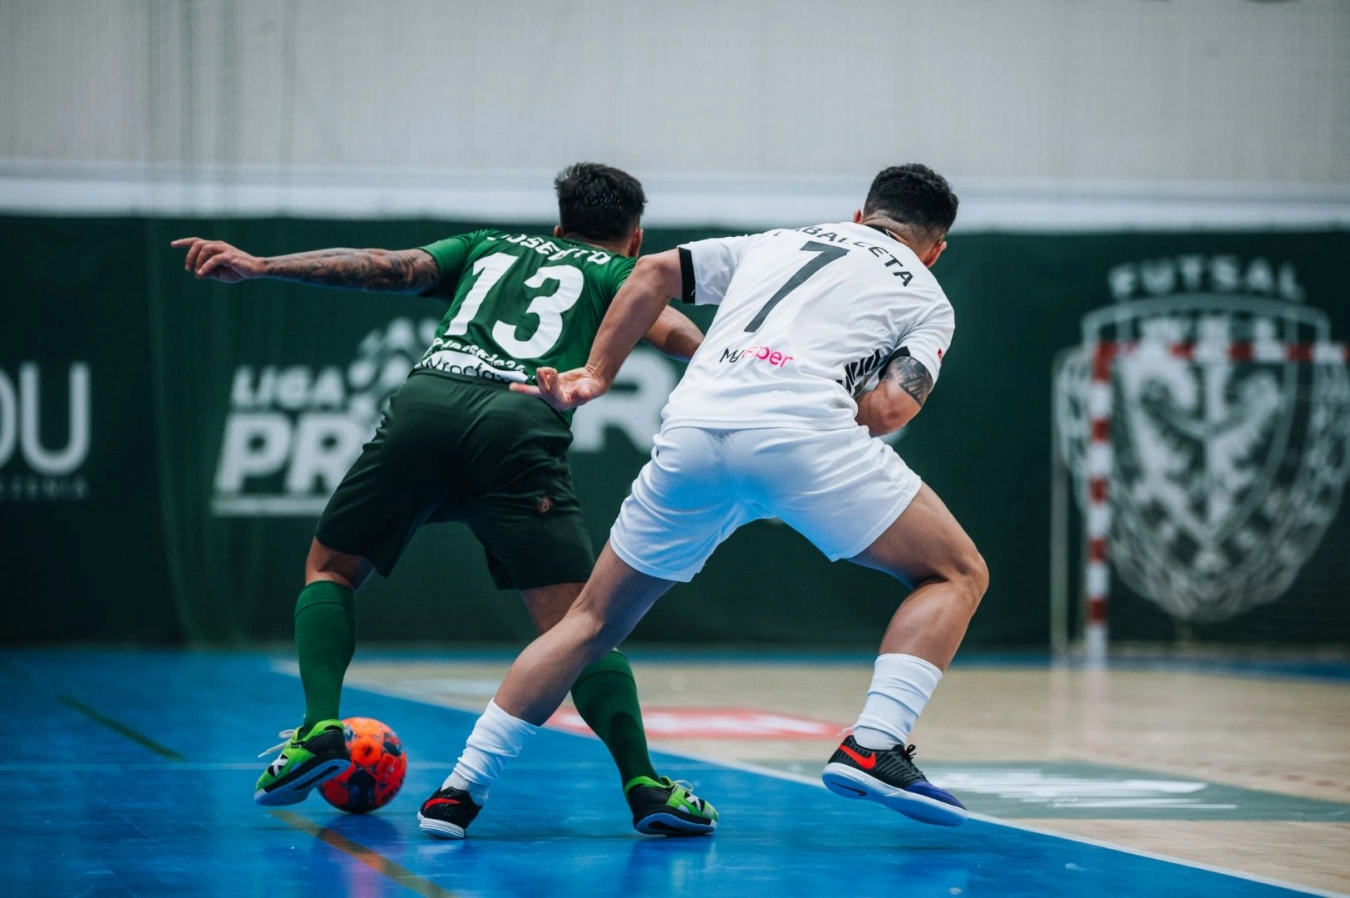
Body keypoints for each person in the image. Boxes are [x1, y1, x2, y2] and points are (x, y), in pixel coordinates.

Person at [422, 163, 988, 838]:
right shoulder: (927, 294)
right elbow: (892, 408)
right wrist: (819, 423)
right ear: (935, 249)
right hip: (803, 435)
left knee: (591, 621)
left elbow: (652, 272)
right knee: (956, 572)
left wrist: (596, 373)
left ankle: (459, 790)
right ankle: (874, 743)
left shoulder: (778, 241)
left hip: (695, 426)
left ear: (861, 216)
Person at [171, 162, 720, 838]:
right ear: (635, 240)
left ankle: (318, 728)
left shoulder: (487, 245)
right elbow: (680, 335)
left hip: (427, 410)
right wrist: (737, 369)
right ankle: (643, 784)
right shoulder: (622, 276)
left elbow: (381, 265)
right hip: (518, 429)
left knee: (330, 569)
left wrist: (262, 266)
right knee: (581, 627)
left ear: (558, 226)